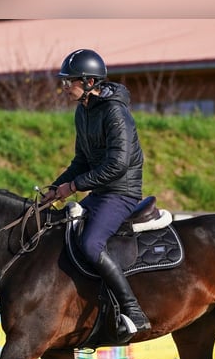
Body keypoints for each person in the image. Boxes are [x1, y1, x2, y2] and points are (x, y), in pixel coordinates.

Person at [42, 48, 151, 338]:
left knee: (91, 244)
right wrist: (56, 187)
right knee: (63, 232)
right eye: (64, 81)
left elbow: (117, 164)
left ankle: (134, 311)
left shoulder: (115, 112)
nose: (65, 87)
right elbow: (81, 161)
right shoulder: (84, 110)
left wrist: (74, 186)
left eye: (71, 81)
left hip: (121, 193)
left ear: (90, 82)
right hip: (100, 192)